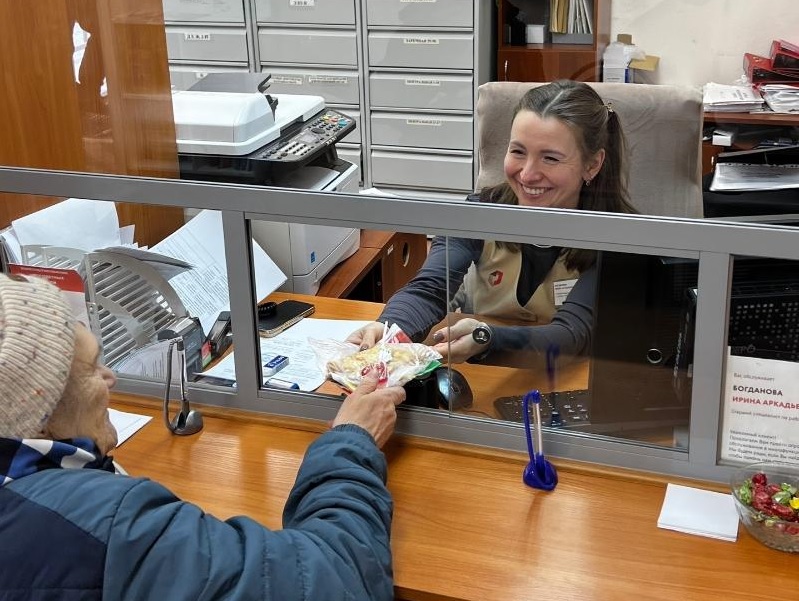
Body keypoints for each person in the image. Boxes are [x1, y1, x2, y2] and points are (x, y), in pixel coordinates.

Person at [0, 273, 406, 600]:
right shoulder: (105, 523)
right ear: (37, 411)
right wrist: (351, 441)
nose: (110, 378)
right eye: (91, 368)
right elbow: (338, 580)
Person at [349, 80, 637, 366]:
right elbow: (430, 289)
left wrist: (487, 337)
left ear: (592, 165)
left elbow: (572, 336)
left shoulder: (621, 239)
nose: (527, 174)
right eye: (518, 151)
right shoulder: (479, 213)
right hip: (481, 375)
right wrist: (389, 327)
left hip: (561, 378)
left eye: (550, 158)